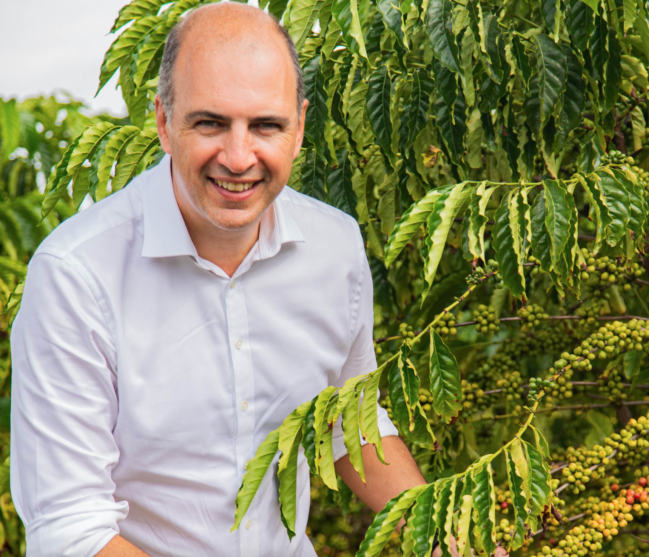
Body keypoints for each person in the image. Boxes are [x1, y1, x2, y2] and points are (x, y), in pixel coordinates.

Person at [10, 4, 435, 556]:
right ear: (164, 122)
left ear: (300, 127)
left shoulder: (336, 248)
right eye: (210, 123)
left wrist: (445, 536)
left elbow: (346, 425)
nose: (238, 158)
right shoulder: (76, 276)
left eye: (266, 126)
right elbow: (71, 529)